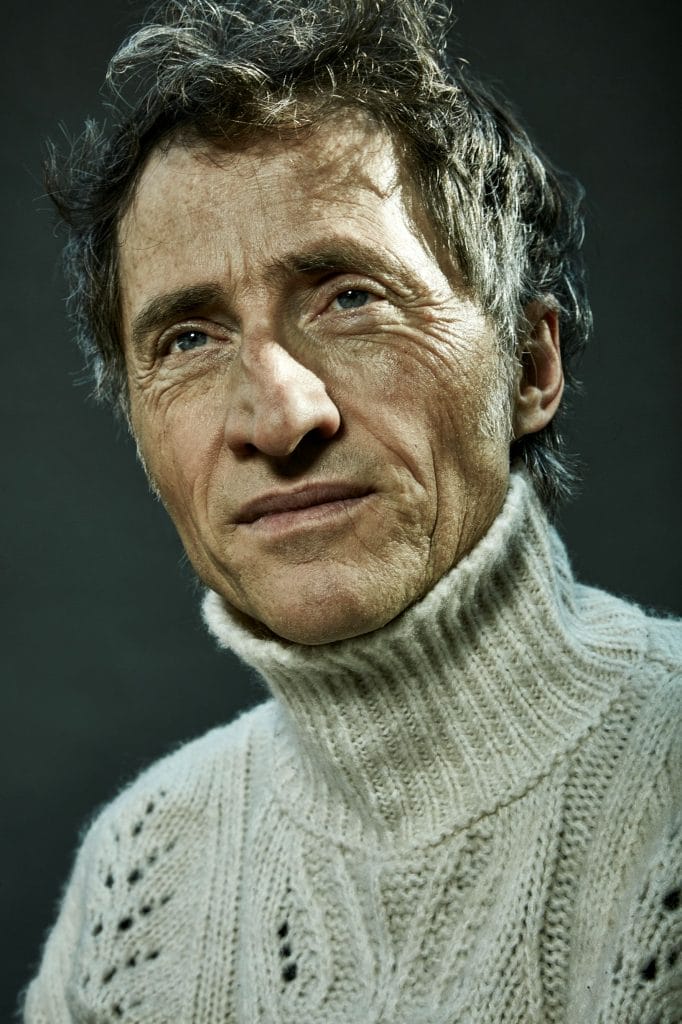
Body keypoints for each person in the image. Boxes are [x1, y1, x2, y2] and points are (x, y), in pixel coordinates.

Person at [24, 0, 680, 1020]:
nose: (280, 418)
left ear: (530, 365)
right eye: (188, 339)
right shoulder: (132, 873)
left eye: (350, 298)